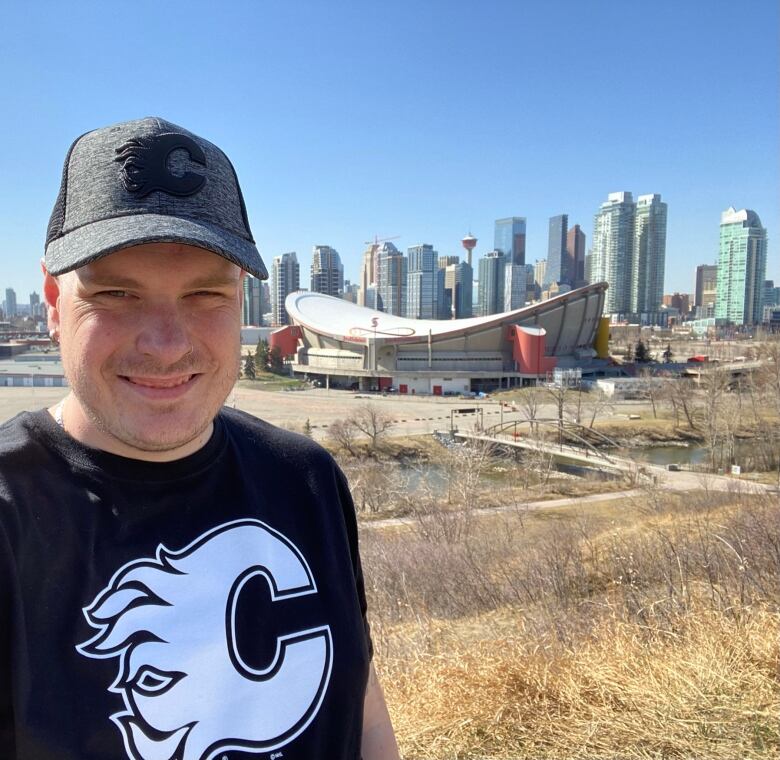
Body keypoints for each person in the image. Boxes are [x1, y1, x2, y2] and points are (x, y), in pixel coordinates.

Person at [0, 117, 400, 760]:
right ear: (53, 299)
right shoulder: (12, 515)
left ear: (241, 300)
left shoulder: (305, 476)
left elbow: (359, 706)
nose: (167, 343)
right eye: (117, 292)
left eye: (205, 294)